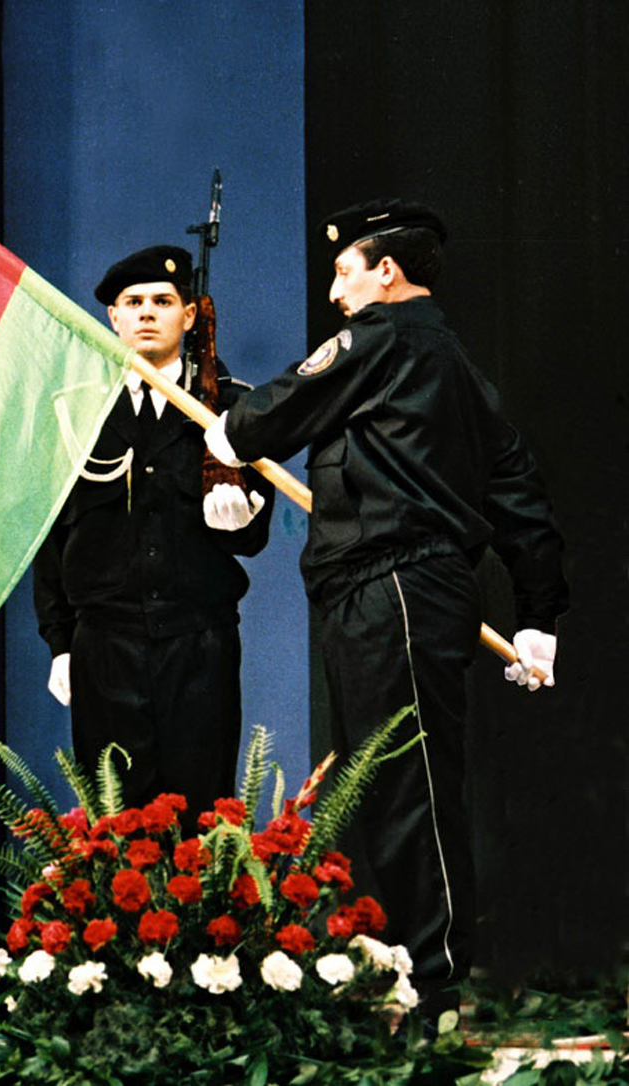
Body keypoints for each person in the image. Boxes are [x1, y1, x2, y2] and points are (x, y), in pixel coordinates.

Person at [204, 200, 568, 1013]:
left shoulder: (388, 337)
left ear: (386, 272)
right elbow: (519, 493)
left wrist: (236, 430)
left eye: (344, 273)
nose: (336, 295)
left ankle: (426, 987)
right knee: (385, 781)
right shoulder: (456, 367)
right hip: (391, 587)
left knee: (405, 784)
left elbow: (278, 408)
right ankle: (402, 974)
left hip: (394, 584)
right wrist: (538, 616)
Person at [34, 245, 272, 818]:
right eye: (132, 302)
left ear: (190, 316)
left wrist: (245, 519)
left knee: (202, 814)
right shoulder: (77, 411)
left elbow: (251, 535)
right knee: (115, 826)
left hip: (200, 644)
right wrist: (60, 644)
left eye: (163, 301)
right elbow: (51, 540)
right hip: (104, 646)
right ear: (112, 317)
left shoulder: (228, 411)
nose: (146, 312)